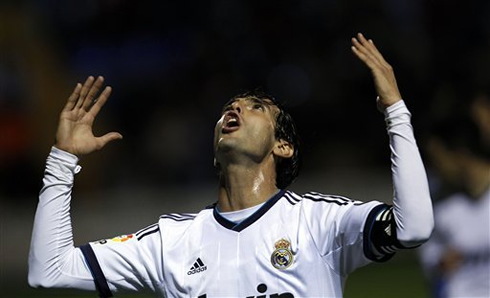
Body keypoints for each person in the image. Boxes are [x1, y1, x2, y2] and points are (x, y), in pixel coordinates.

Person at [28, 33, 434, 297]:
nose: (235, 108)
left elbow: (414, 228)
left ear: (284, 147)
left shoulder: (318, 223)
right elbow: (49, 270)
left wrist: (395, 111)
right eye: (229, 107)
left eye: (256, 107)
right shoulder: (172, 241)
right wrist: (62, 160)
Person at [419, 116, 490, 298]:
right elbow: (432, 265)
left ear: (460, 155)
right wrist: (441, 263)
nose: (435, 169)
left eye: (437, 159)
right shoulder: (440, 206)